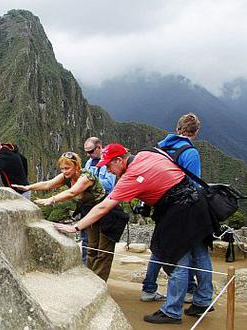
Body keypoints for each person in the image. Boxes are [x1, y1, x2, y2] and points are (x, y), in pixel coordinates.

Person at [54, 144, 214, 324]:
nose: (108, 170)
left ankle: (172, 311)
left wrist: (76, 227)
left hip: (178, 210)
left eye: (108, 165)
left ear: (119, 160)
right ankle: (203, 300)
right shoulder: (146, 153)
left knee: (176, 260)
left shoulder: (130, 176)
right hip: (198, 203)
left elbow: (104, 206)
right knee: (200, 254)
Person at [13, 152, 127, 282]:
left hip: (107, 213)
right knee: (92, 248)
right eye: (62, 168)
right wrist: (28, 187)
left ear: (76, 166)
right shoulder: (66, 177)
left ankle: (99, 281)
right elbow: (48, 184)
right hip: (90, 213)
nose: (64, 171)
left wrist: (52, 199)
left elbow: (72, 192)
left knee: (103, 252)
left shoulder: (86, 177)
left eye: (67, 168)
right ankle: (90, 280)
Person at [141, 113, 203, 303]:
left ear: (178, 128)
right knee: (186, 248)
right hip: (180, 208)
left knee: (159, 247)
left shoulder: (161, 147)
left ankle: (149, 287)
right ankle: (189, 290)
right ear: (196, 131)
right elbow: (193, 185)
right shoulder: (190, 152)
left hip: (160, 204)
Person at [82, 137, 117, 265]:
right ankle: (86, 267)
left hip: (105, 204)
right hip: (89, 204)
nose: (88, 155)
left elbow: (109, 184)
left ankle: (98, 272)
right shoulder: (89, 162)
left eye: (90, 151)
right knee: (88, 241)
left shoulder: (109, 162)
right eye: (86, 152)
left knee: (102, 244)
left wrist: (91, 180)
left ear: (99, 148)